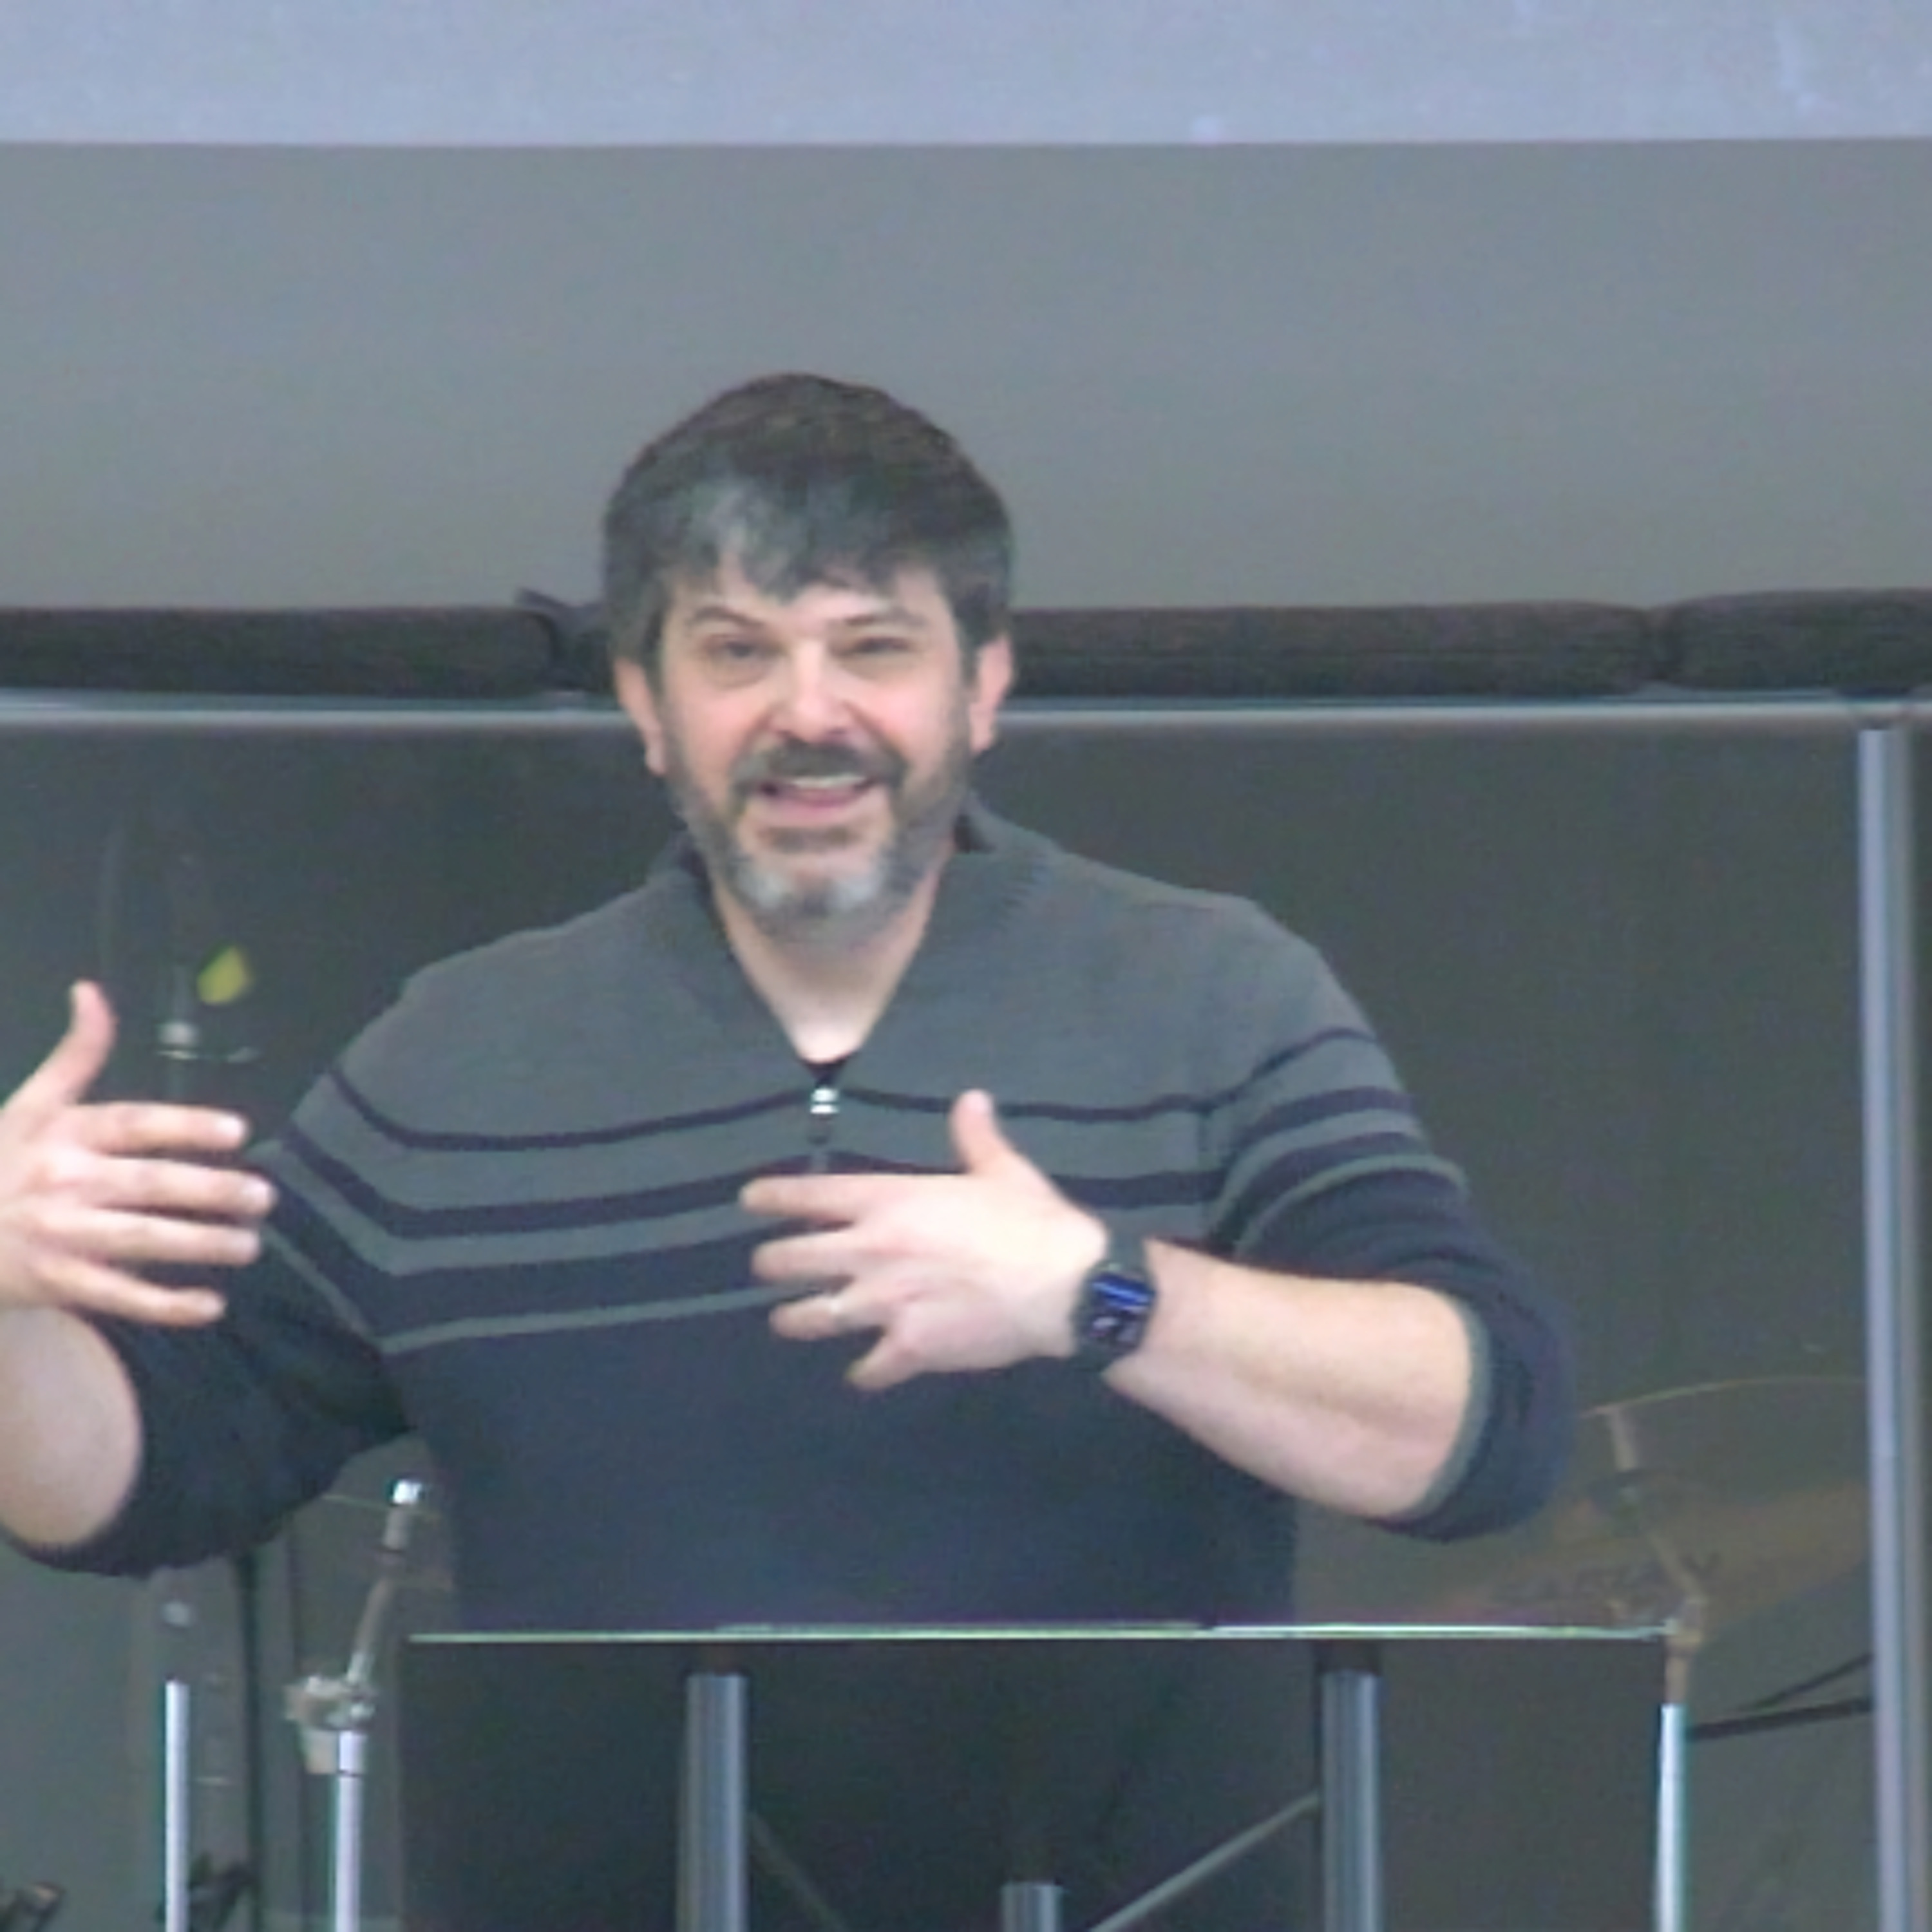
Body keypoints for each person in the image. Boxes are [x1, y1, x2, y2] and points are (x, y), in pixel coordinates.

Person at [0, 373, 1570, 1924]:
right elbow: (141, 1483)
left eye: (873, 648)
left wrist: (1102, 1295)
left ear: (984, 686)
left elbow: (1482, 1429)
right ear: (645, 702)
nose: (809, 715)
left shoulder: (1209, 998)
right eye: (736, 651)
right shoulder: (457, 1056)